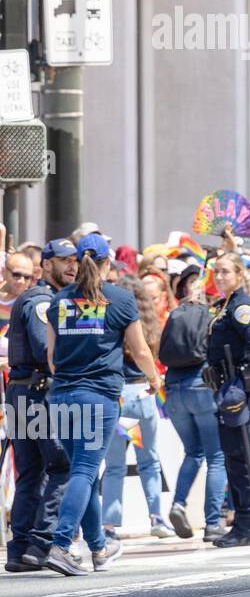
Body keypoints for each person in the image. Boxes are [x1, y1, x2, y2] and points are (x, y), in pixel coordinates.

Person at [42, 233, 163, 577]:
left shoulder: (59, 301)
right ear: (108, 261)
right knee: (83, 471)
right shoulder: (121, 299)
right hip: (98, 396)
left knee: (84, 472)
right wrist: (154, 380)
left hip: (62, 395)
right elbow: (139, 350)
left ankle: (98, 547)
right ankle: (62, 544)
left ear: (77, 262)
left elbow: (51, 358)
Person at [3, 239, 78, 572]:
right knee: (59, 467)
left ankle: (20, 549)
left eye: (74, 260)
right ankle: (41, 543)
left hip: (24, 394)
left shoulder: (40, 299)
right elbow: (43, 349)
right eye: (63, 260)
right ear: (45, 265)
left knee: (31, 472)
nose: (71, 267)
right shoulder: (42, 301)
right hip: (37, 395)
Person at [101, 276, 174, 540]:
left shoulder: (110, 318)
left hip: (118, 395)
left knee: (114, 466)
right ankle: (156, 516)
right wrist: (154, 379)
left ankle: (109, 525)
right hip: (142, 391)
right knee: (150, 460)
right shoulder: (147, 321)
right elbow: (146, 353)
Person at [206, 251, 250, 547]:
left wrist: (245, 373)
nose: (219, 277)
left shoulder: (241, 306)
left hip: (239, 389)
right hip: (226, 387)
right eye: (216, 272)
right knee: (235, 458)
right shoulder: (226, 305)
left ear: (239, 274)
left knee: (242, 458)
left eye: (225, 272)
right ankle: (243, 522)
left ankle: (248, 526)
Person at [162, 275, 227, 543]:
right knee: (216, 456)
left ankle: (178, 504)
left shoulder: (175, 315)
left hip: (174, 389)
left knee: (192, 452)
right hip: (201, 386)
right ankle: (213, 522)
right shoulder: (211, 316)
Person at [0, 249, 36, 335]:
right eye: (16, 275)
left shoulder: (30, 305)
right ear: (3, 272)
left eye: (27, 277)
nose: (21, 281)